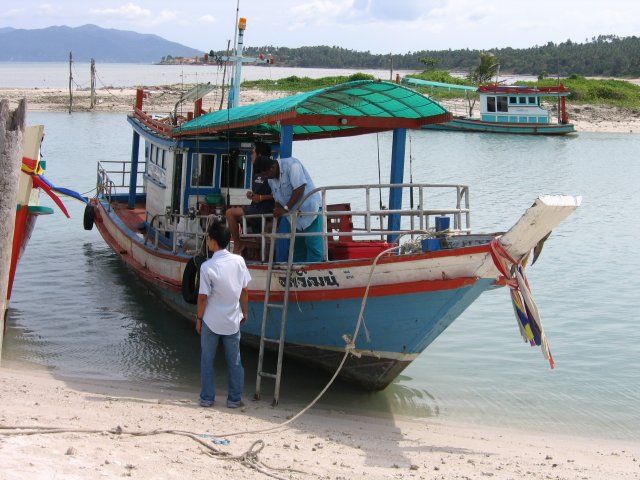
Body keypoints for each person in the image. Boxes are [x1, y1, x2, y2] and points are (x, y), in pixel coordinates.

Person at [196, 220, 251, 408]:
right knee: (235, 362)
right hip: (232, 321)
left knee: (207, 360)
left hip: (211, 321)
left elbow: (203, 297)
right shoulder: (239, 261)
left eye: (209, 239)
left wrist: (198, 319)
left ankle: (206, 398)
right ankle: (234, 399)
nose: (208, 242)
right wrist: (245, 312)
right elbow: (244, 291)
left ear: (213, 242)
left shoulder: (207, 266)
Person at [253, 155, 323, 263]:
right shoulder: (270, 179)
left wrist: (285, 209)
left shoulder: (292, 165)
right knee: (297, 248)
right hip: (294, 217)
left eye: (266, 174)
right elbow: (277, 198)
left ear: (272, 167)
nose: (266, 177)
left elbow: (299, 188)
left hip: (310, 212)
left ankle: (314, 274)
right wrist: (276, 210)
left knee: (313, 247)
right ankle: (298, 276)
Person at [226, 142, 275, 254]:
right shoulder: (257, 172)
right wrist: (251, 195)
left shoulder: (272, 173)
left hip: (263, 210)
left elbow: (279, 195)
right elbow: (257, 192)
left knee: (230, 213)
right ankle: (245, 244)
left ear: (259, 155)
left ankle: (238, 245)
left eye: (253, 153)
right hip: (255, 208)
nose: (251, 156)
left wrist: (262, 197)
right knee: (232, 215)